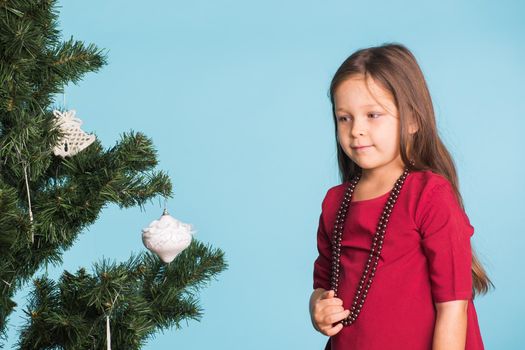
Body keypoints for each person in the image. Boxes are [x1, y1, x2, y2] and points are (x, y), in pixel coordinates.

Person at [309, 43, 494, 350]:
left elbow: (453, 307)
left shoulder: (429, 195)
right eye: (345, 118)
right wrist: (318, 309)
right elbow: (324, 284)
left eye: (373, 115)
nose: (357, 130)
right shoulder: (335, 203)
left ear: (412, 120)